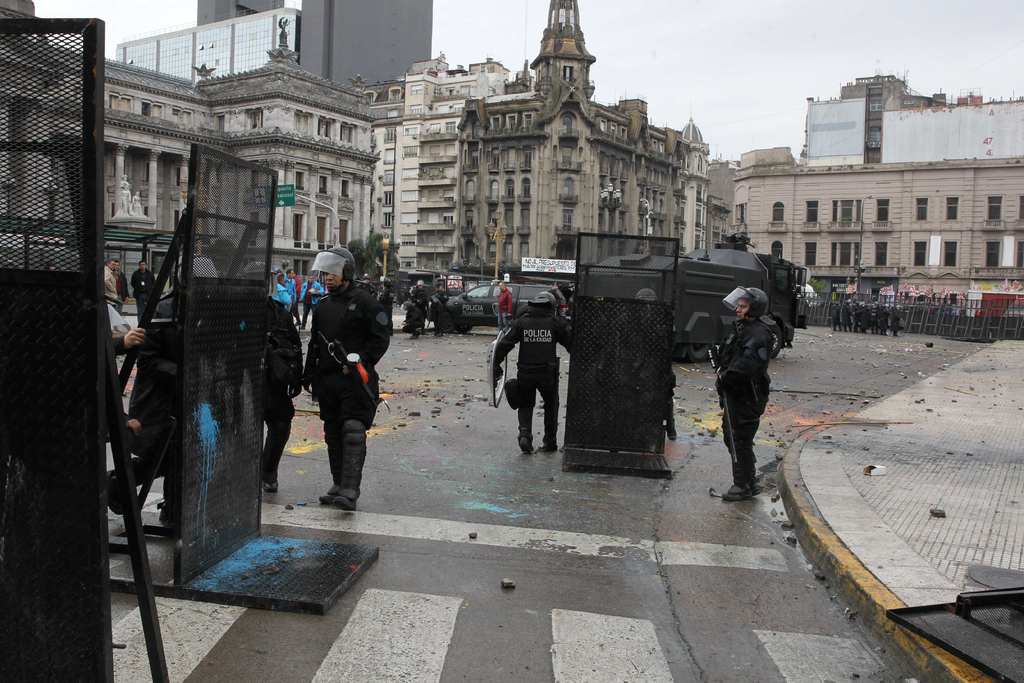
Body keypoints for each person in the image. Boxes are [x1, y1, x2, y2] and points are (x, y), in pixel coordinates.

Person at [303, 247, 390, 511]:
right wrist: (308, 374)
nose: (328, 277)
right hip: (328, 381)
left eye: (333, 272)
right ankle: (338, 483)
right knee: (332, 432)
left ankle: (350, 489)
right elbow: (315, 344)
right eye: (325, 272)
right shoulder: (323, 306)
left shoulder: (366, 302)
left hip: (355, 382)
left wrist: (361, 361)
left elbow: (381, 339)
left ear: (347, 272)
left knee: (352, 431)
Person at [711, 287, 772, 502]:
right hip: (735, 393)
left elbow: (747, 366)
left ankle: (742, 485)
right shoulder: (742, 328)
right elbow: (729, 354)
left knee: (739, 438)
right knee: (735, 437)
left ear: (754, 309)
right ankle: (749, 481)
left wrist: (727, 377)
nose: (738, 309)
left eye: (743, 306)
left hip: (747, 395)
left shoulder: (758, 333)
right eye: (738, 305)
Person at [493, 292, 572, 454]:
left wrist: (496, 365)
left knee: (525, 404)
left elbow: (504, 344)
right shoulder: (555, 323)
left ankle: (524, 435)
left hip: (525, 372)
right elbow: (571, 344)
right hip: (547, 373)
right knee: (551, 405)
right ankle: (549, 442)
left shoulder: (521, 323)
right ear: (550, 306)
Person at [262, 294, 303, 493]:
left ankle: (268, 471)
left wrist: (296, 377)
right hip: (240, 382)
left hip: (273, 382)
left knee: (281, 424)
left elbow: (295, 346)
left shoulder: (279, 313)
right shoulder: (231, 308)